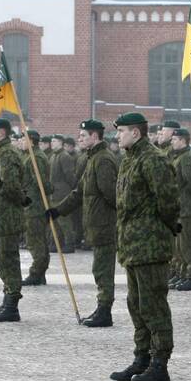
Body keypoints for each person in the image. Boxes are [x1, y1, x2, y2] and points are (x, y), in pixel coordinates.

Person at [109, 112, 180, 381]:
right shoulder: (130, 160)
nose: (118, 136)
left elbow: (168, 201)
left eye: (122, 131)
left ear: (136, 133)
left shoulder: (153, 160)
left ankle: (160, 362)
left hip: (150, 246)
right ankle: (142, 358)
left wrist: (163, 226)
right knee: (136, 304)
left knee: (153, 305)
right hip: (133, 246)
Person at [49, 119, 120, 327]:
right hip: (96, 224)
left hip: (104, 224)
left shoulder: (103, 159)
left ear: (95, 137)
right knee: (99, 267)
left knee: (103, 268)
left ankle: (105, 311)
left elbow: (112, 195)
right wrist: (57, 211)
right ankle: (102, 307)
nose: (79, 139)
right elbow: (79, 192)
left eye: (83, 136)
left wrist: (109, 218)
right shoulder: (92, 158)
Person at [0, 118, 28, 322]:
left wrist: (19, 200)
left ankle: (12, 305)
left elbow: (10, 184)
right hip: (1, 215)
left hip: (7, 215)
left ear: (2, 133)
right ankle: (7, 301)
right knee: (4, 259)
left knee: (8, 259)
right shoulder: (0, 152)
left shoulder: (7, 153)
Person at [168, 128, 191, 291]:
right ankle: (182, 273)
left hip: (188, 209)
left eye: (175, 140)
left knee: (188, 244)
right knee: (179, 246)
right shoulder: (179, 157)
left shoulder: (188, 158)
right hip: (180, 208)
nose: (172, 142)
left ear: (183, 141)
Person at [18, 130, 53, 286]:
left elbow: (41, 182)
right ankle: (40, 273)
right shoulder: (31, 156)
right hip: (33, 203)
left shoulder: (36, 158)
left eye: (23, 139)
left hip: (35, 205)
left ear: (31, 141)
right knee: (38, 240)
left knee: (35, 241)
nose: (20, 142)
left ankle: (36, 273)